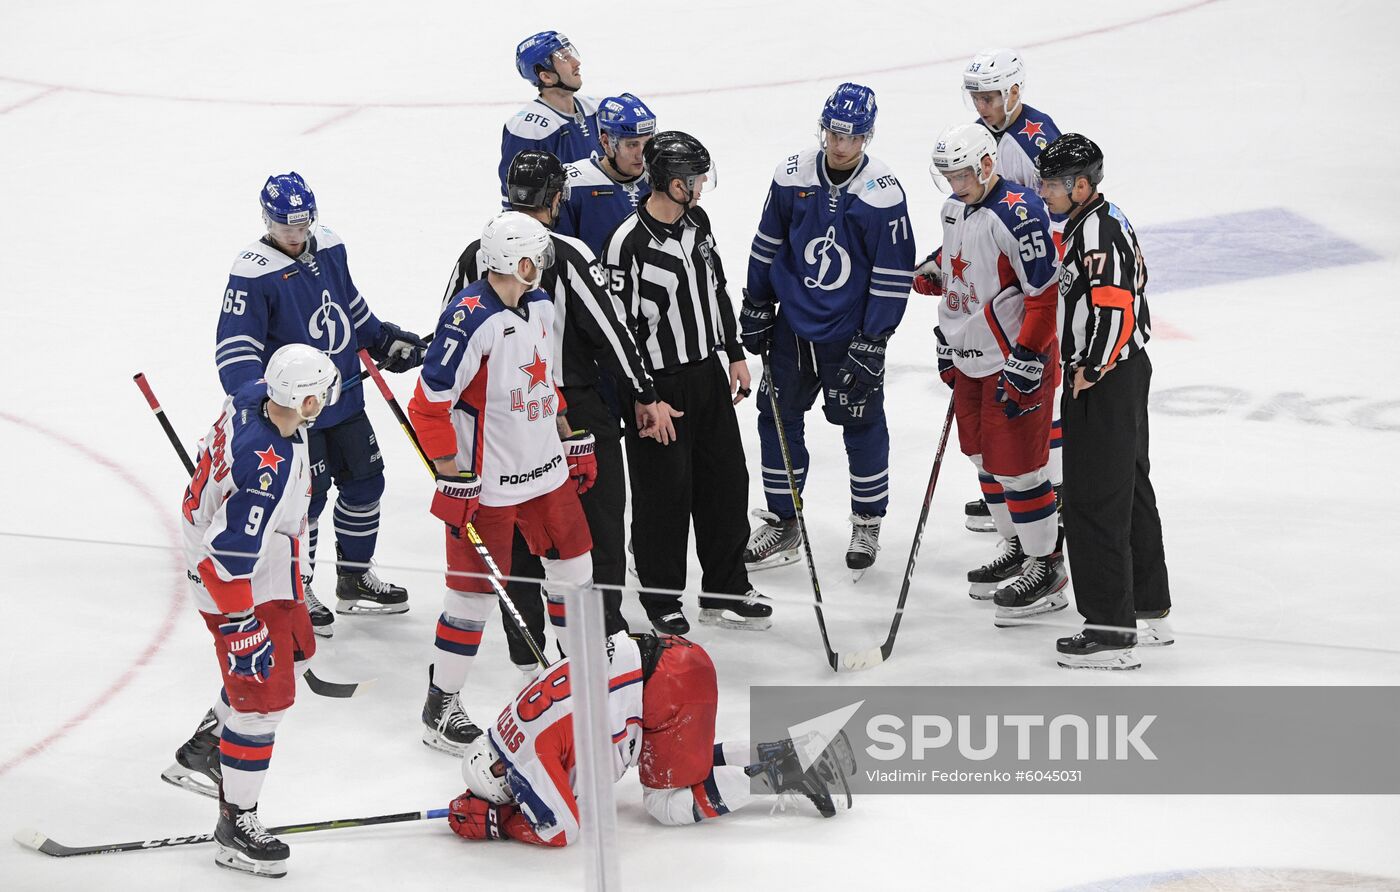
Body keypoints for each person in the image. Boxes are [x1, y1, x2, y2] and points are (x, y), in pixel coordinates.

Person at [441, 150, 679, 672]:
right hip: (570, 413)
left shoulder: (472, 254)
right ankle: (603, 641)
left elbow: (446, 342)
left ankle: (530, 660)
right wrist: (644, 392)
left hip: (496, 424)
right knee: (591, 534)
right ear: (557, 198)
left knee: (516, 548)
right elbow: (613, 332)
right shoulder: (565, 253)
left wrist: (452, 450)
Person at [408, 211, 599, 754]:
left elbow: (543, 378)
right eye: (535, 256)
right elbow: (427, 408)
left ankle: (578, 673)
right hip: (487, 486)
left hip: (545, 472)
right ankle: (440, 704)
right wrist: (452, 477)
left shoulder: (539, 304)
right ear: (515, 260)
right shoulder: (468, 319)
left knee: (576, 569)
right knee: (470, 600)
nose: (542, 264)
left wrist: (567, 433)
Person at [216, 172, 426, 638]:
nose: (295, 234)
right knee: (303, 504)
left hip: (345, 396)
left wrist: (385, 340)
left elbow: (349, 306)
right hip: (297, 414)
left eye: (302, 223)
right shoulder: (253, 271)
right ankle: (299, 585)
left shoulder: (328, 246)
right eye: (285, 225)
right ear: (266, 220)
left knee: (367, 483)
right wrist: (258, 404)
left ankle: (353, 577)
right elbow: (235, 349)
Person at [162, 344, 336, 878]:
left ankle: (207, 746)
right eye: (321, 393)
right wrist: (241, 629)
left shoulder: (253, 395)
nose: (327, 399)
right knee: (263, 701)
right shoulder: (270, 472)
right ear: (303, 401)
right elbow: (223, 564)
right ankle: (236, 824)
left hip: (266, 559)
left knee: (300, 654)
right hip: (237, 580)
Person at [446, 632, 854, 848]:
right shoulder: (505, 722)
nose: (515, 798)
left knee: (664, 804)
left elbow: (561, 830)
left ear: (502, 776)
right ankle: (796, 749)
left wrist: (499, 824)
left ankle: (782, 773)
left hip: (668, 688)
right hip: (676, 659)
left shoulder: (525, 766)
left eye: (509, 795)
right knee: (678, 767)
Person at [739, 83, 915, 581]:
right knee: (776, 419)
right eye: (835, 134)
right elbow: (767, 240)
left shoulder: (883, 193)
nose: (841, 146)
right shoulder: (791, 175)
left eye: (853, 137)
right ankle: (783, 519)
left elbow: (892, 272)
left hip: (848, 335)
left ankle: (867, 521)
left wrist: (874, 338)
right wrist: (756, 301)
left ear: (868, 137)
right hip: (793, 328)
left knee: (861, 424)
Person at [602, 131, 771, 635]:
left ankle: (726, 588)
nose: (701, 187)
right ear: (674, 183)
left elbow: (715, 290)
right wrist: (642, 398)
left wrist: (734, 353)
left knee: (726, 484)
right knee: (663, 496)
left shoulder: (699, 222)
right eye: (695, 179)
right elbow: (618, 333)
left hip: (708, 376)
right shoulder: (626, 244)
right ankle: (661, 599)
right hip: (658, 388)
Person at [1035, 134, 1171, 669]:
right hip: (1123, 373)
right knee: (1130, 486)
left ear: (1082, 185)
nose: (1044, 190)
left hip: (1105, 377)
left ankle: (1111, 633)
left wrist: (1091, 366)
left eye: (1052, 183)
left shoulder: (1098, 233)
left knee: (1094, 498)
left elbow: (1113, 308)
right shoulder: (1099, 218)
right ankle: (1149, 609)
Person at [921, 48, 1068, 535]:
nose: (982, 105)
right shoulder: (963, 181)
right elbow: (965, 235)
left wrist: (1048, 286)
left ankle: (1052, 488)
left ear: (1015, 91)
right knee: (991, 438)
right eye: (976, 97)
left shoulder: (1036, 139)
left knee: (1035, 397)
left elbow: (1058, 216)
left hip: (1033, 284)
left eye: (990, 96)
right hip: (993, 290)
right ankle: (1014, 497)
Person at [927, 124, 1067, 628]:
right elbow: (957, 263)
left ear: (987, 164)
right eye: (947, 174)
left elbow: (1044, 294)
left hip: (1012, 357)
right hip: (970, 352)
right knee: (984, 457)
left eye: (962, 173)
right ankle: (1016, 547)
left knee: (1019, 467)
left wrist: (1029, 355)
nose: (954, 183)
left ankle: (1047, 565)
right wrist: (935, 273)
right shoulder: (952, 208)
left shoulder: (1021, 212)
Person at [499, 31, 600, 206]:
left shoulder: (595, 109)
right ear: (546, 76)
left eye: (571, 55)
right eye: (565, 59)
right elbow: (517, 200)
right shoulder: (528, 129)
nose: (576, 63)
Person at [556, 92, 657, 255]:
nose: (641, 154)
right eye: (632, 145)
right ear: (606, 142)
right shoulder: (573, 185)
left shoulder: (659, 179)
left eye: (647, 143)